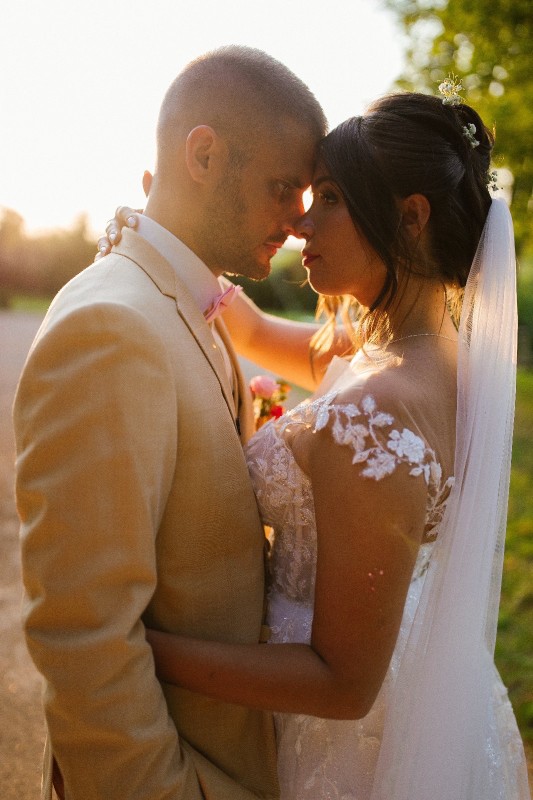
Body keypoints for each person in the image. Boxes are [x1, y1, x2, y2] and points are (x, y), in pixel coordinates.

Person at [102, 88, 531, 799]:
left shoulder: (376, 410)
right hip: (427, 699)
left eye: (329, 196)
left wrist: (138, 651)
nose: (302, 222)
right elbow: (250, 328)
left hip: (349, 753)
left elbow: (341, 685)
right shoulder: (415, 358)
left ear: (409, 218)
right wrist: (157, 237)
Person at [13, 45, 328, 800]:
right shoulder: (112, 328)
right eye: (284, 189)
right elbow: (84, 633)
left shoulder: (196, 303)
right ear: (204, 154)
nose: (297, 222)